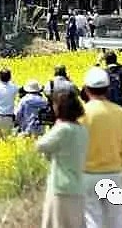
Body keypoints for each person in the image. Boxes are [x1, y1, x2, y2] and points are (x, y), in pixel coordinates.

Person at [80, 67, 122, 228]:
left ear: (86, 89)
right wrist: (121, 167)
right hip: (114, 173)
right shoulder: (119, 112)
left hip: (87, 175)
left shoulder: (82, 114)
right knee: (116, 220)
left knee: (93, 220)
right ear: (108, 89)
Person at [36, 90, 89, 228]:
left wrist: (56, 125)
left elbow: (41, 145)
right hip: (78, 187)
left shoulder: (62, 129)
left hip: (61, 187)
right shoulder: (82, 130)